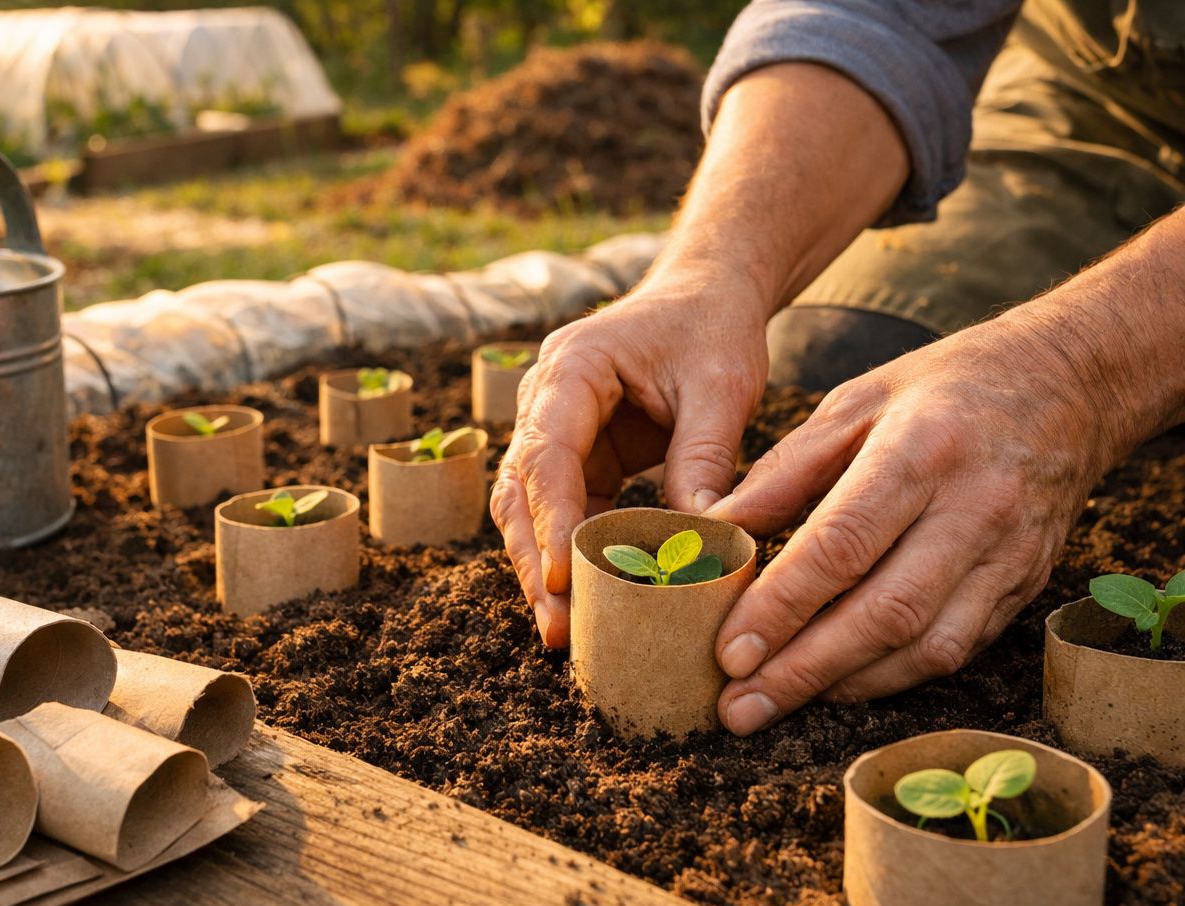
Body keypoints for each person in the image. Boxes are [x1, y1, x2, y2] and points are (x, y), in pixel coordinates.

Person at [491, 0, 1185, 736]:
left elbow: (1065, 372)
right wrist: (709, 271)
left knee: (1010, 409)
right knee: (841, 353)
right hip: (1096, 99)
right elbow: (869, 13)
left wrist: (1077, 373)